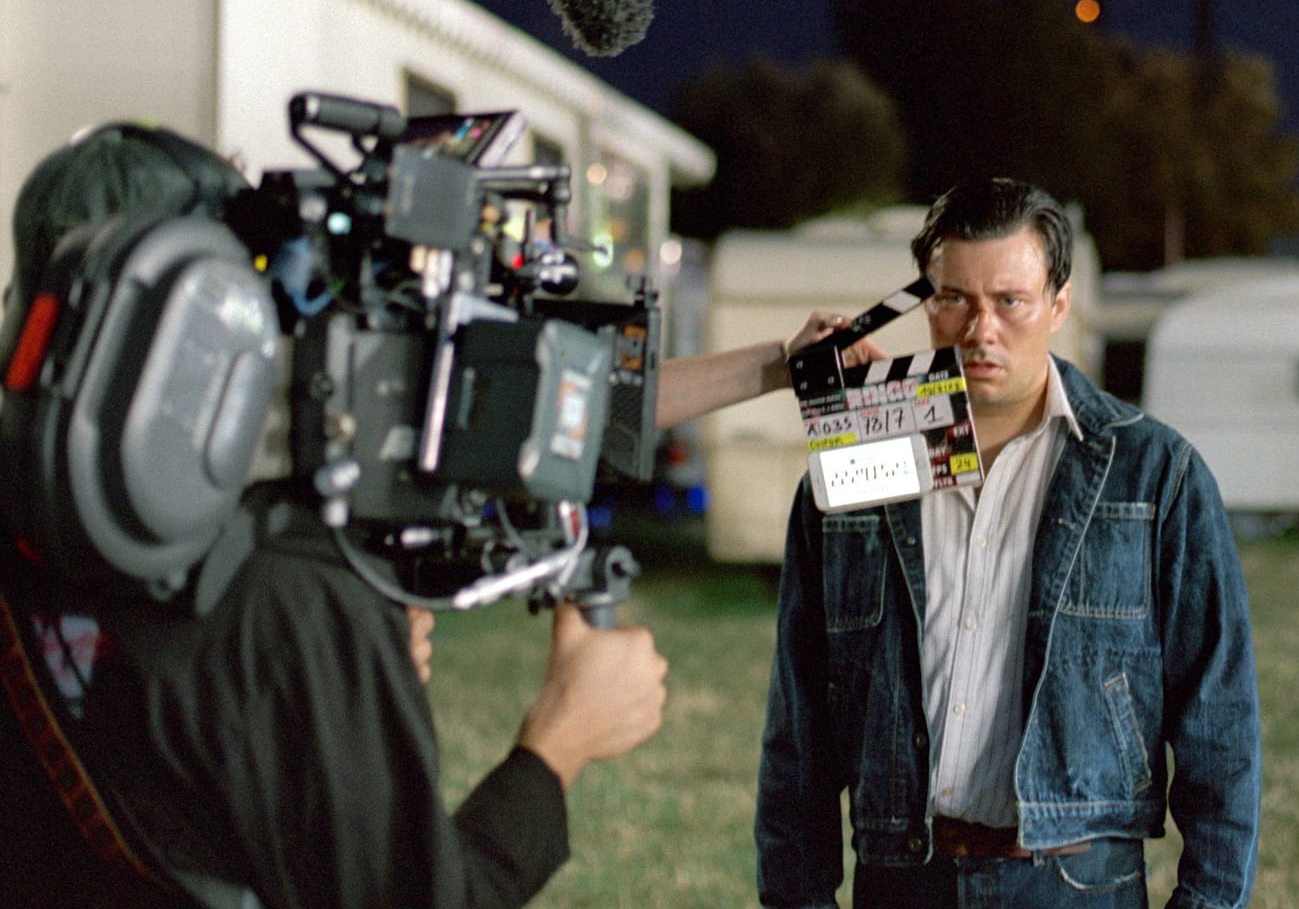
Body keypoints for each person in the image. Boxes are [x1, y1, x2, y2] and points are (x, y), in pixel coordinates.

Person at [0, 122, 869, 908]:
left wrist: (771, 364)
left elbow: (565, 415)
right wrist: (558, 742)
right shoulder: (285, 597)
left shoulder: (43, 525)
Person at [756, 176, 1261, 908]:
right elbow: (797, 724)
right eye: (954, 298)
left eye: (1010, 302)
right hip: (902, 879)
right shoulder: (853, 469)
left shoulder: (1153, 473)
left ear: (1059, 304)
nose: (979, 329)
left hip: (1076, 882)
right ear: (925, 302)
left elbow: (1222, 723)